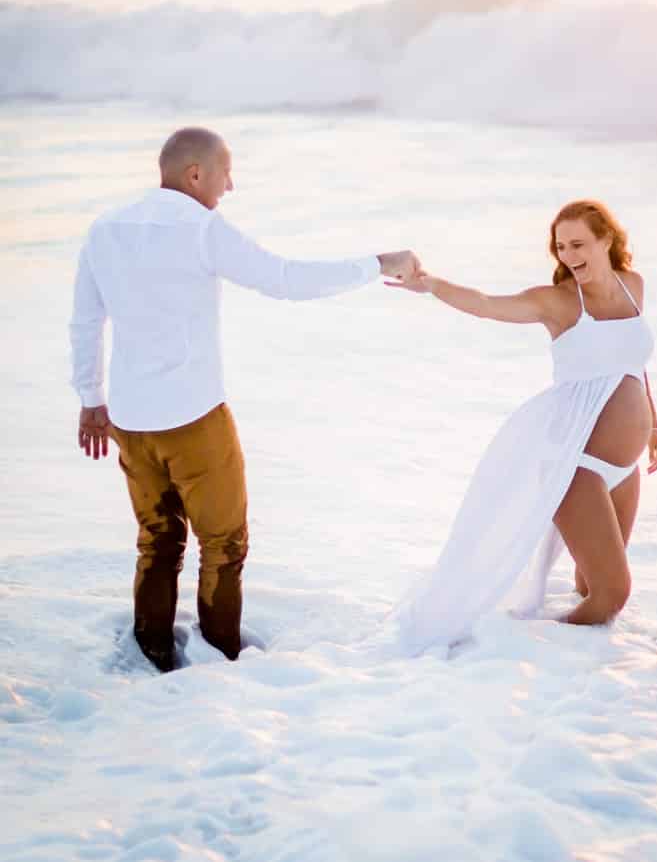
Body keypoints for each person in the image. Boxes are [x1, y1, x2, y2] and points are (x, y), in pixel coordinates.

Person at [69, 127, 420, 672]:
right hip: (193, 420)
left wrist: (92, 399)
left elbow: (87, 321)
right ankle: (221, 660)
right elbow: (283, 279)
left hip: (130, 423)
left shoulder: (104, 229)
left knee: (157, 543)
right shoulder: (201, 229)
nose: (229, 186)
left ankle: (152, 657)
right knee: (224, 545)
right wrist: (377, 263)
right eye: (224, 173)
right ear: (194, 175)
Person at [387, 199, 657, 652]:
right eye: (561, 248)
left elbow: (635, 361)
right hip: (578, 467)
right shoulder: (556, 302)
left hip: (624, 470)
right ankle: (526, 647)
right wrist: (431, 284)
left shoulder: (633, 286)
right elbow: (486, 305)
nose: (569, 256)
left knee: (586, 585)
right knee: (613, 596)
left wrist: (654, 428)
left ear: (606, 240)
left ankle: (584, 679)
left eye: (578, 244)